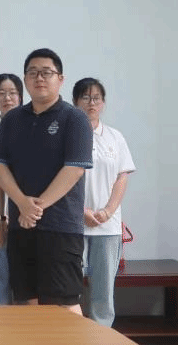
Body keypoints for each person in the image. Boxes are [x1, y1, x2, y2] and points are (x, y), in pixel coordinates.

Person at [0, 48, 93, 313]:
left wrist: (34, 208)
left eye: (47, 72)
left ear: (61, 78)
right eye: (33, 72)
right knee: (29, 301)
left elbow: (74, 169)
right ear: (25, 79)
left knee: (65, 304)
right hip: (21, 226)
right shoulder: (12, 120)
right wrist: (21, 203)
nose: (39, 78)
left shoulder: (75, 118)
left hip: (61, 227)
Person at [73, 77, 135, 327]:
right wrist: (81, 211)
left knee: (103, 293)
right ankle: (69, 336)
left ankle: (101, 336)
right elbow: (60, 178)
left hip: (107, 227)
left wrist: (108, 211)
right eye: (85, 97)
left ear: (103, 103)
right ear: (75, 102)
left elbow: (122, 177)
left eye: (96, 98)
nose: (91, 103)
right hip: (73, 224)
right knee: (69, 290)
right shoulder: (68, 135)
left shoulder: (115, 137)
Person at [0, 73, 24, 305]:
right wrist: (0, 220)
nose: (7, 98)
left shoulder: (29, 128)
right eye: (1, 93)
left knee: (23, 281)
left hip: (25, 215)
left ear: (21, 97)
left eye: (12, 93)